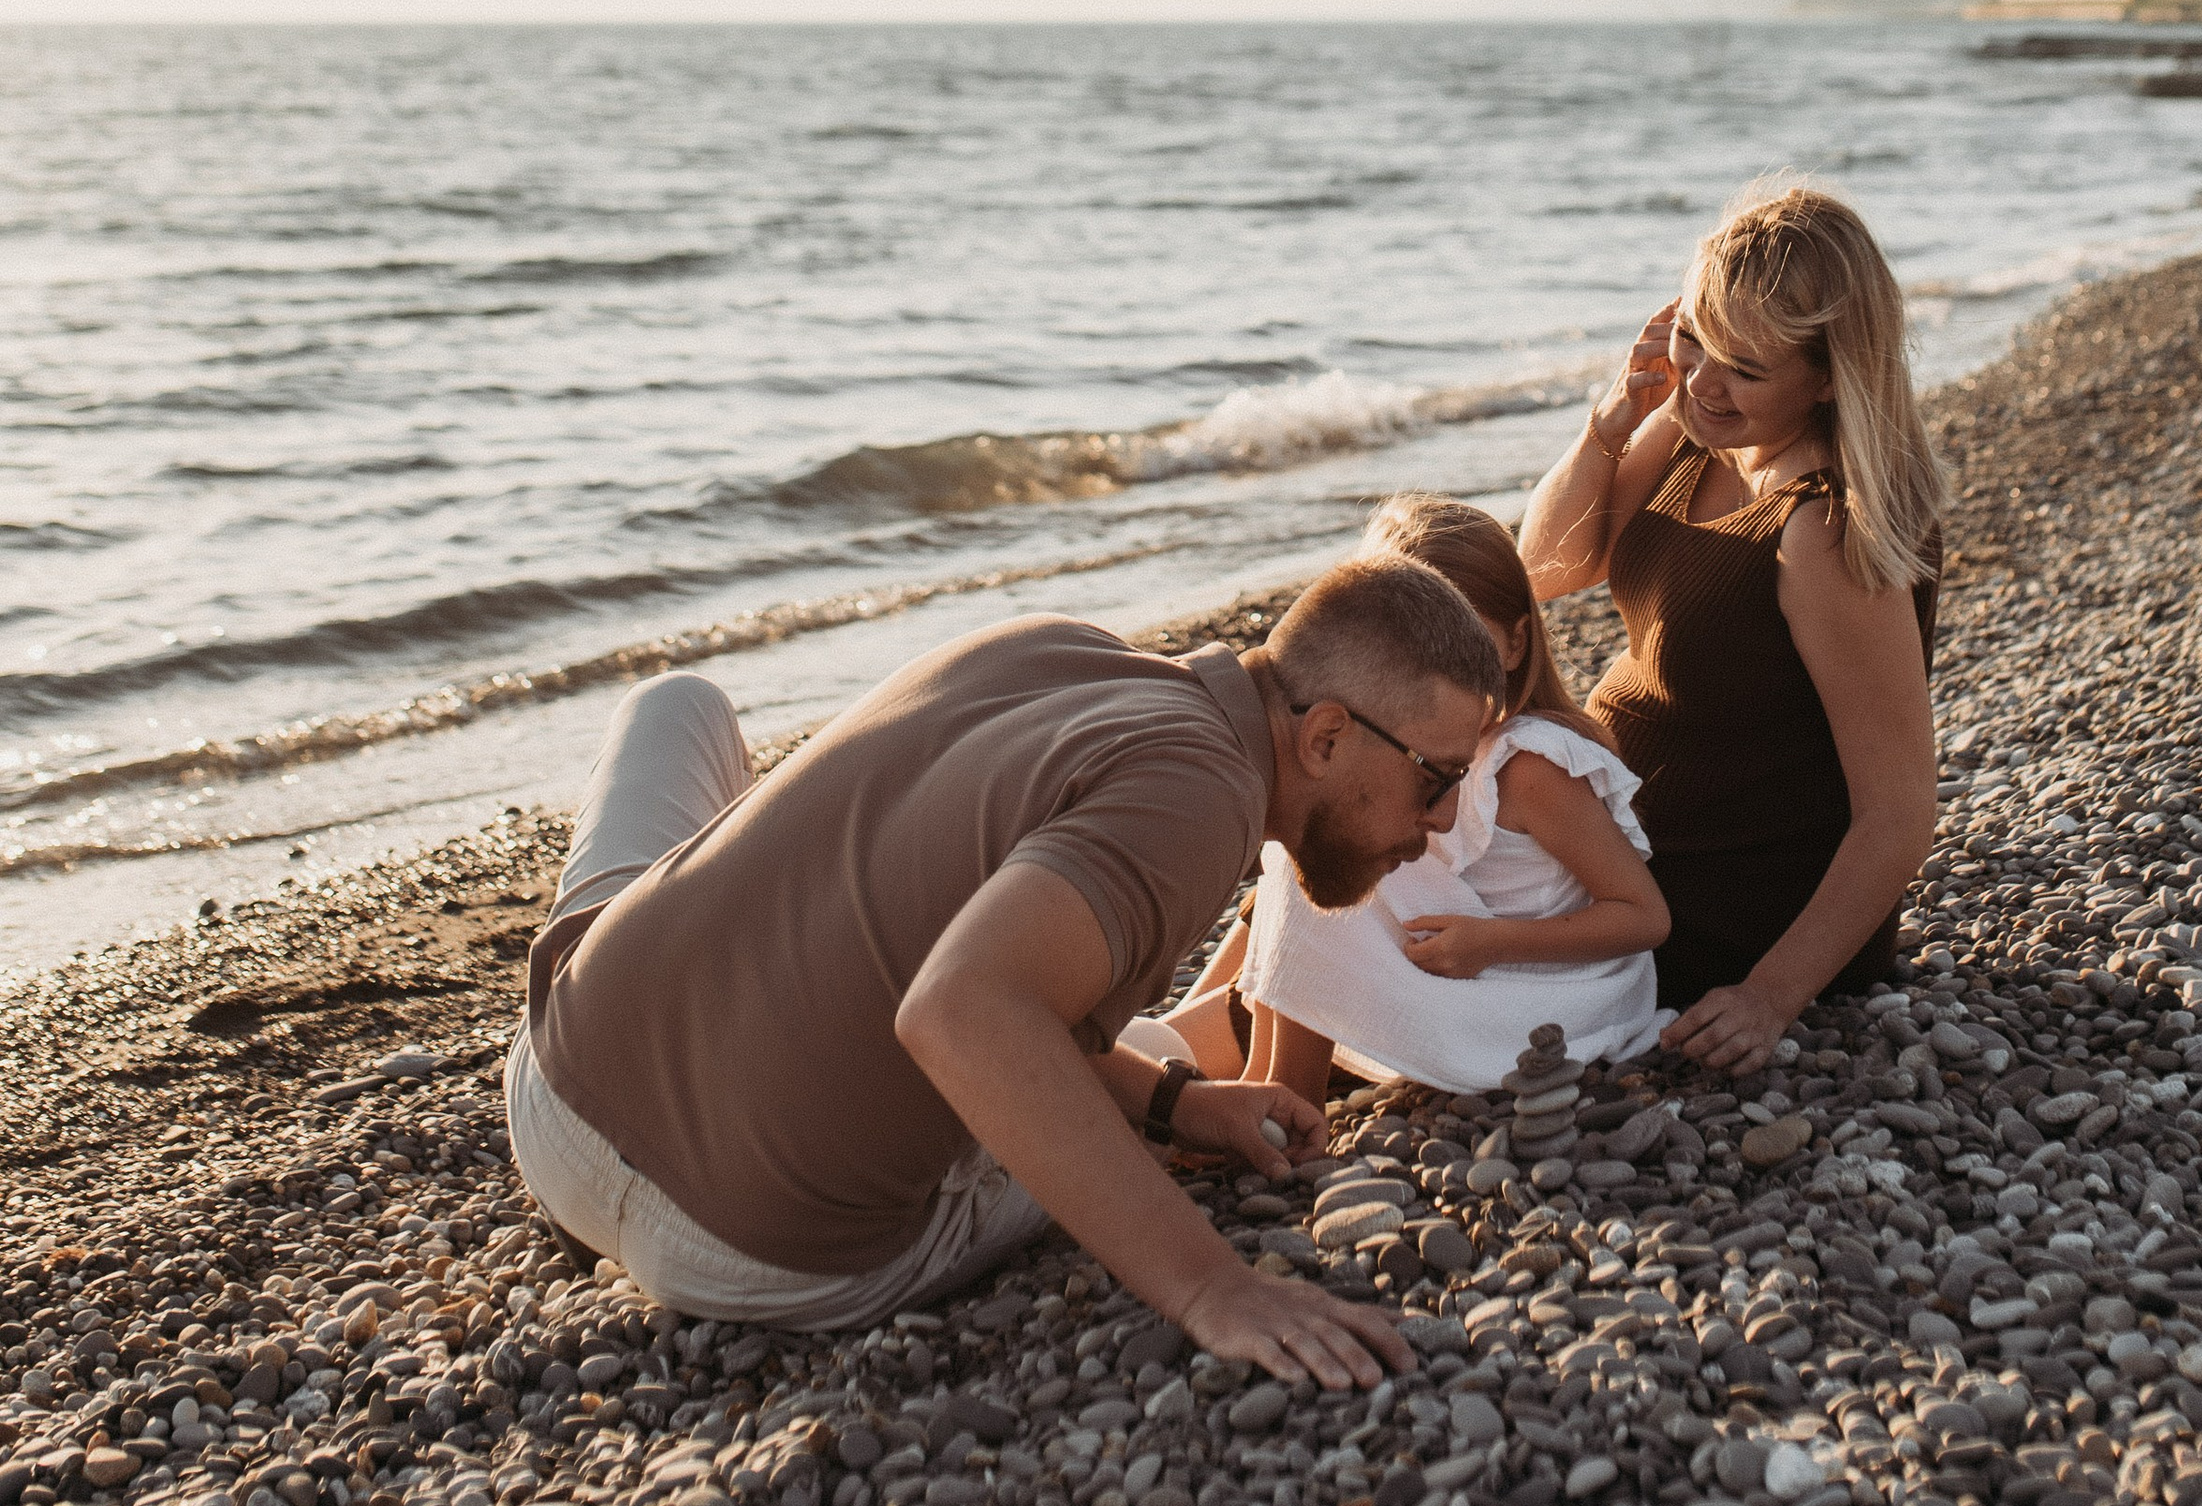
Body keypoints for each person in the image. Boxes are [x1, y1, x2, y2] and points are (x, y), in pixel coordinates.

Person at [504, 557, 1504, 1386]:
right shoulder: (1197, 799)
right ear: (1324, 736)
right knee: (1098, 1042)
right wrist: (1216, 1289)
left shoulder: (1054, 648)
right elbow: (960, 1010)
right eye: (1437, 778)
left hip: (556, 1088)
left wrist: (1175, 1108)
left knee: (677, 702)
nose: (1447, 822)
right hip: (748, 1251)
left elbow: (940, 968)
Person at [1518, 176, 1941, 1076]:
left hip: (1720, 903)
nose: (1705, 381)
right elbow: (1547, 566)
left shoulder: (1821, 528)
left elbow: (1900, 813)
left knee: (1401, 902)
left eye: (1745, 367)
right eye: (1694, 338)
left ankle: (1186, 1093)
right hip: (1616, 848)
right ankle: (1183, 1078)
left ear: (1828, 377)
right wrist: (1611, 420)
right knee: (1369, 839)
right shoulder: (1695, 430)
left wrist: (1769, 997)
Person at [1183, 495, 1672, 1100]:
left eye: (1467, 633)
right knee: (1317, 828)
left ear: (1517, 642)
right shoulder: (1385, 754)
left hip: (1541, 995)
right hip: (1454, 968)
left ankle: (1287, 1091)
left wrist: (1490, 942)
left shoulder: (1529, 764)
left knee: (1334, 838)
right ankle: (1248, 1072)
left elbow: (1645, 915)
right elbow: (1274, 905)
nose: (1435, 658)